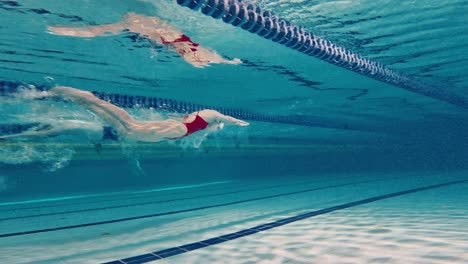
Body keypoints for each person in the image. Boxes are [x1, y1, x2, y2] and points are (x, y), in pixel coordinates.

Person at [0, 86, 249, 142]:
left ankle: (79, 98)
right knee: (121, 121)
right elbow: (220, 118)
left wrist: (234, 121)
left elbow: (218, 121)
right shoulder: (205, 117)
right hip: (164, 132)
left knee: (115, 116)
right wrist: (235, 121)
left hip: (165, 131)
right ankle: (83, 97)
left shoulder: (197, 119)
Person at [48, 12, 241, 68]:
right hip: (147, 24)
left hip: (150, 27)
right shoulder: (189, 47)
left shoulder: (182, 46)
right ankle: (65, 29)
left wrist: (231, 62)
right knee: (107, 29)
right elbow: (216, 58)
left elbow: (218, 59)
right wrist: (230, 62)